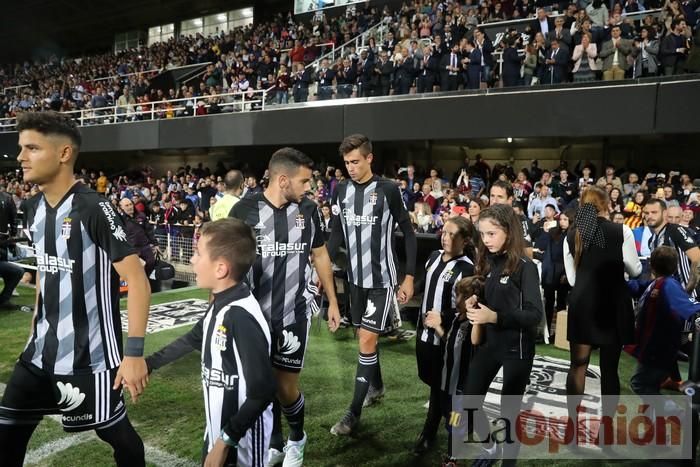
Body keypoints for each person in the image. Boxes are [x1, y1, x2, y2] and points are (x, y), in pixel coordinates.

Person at [0, 111, 150, 466]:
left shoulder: (94, 208)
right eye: (22, 148)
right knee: (7, 433)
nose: (21, 157)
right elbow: (46, 275)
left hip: (89, 357)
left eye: (32, 148)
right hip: (38, 354)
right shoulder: (34, 207)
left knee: (118, 437)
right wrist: (36, 326)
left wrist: (134, 355)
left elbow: (138, 281)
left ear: (64, 153)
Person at [230, 147, 341, 467]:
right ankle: (275, 442)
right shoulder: (244, 210)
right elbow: (229, 260)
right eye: (304, 181)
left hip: (293, 312)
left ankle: (296, 438)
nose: (309, 188)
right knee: (261, 383)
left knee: (285, 385)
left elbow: (319, 254)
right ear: (282, 180)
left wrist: (333, 301)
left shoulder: (309, 210)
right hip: (253, 317)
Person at [145, 218, 276, 466]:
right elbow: (195, 336)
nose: (192, 260)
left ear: (220, 269)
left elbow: (264, 391)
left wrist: (225, 441)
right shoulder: (221, 301)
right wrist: (148, 364)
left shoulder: (240, 315)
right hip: (218, 433)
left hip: (240, 443)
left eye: (198, 253)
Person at [328, 134, 417, 435]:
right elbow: (335, 233)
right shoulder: (340, 190)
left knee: (367, 340)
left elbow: (409, 231)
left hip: (382, 280)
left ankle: (352, 414)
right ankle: (376, 386)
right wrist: (323, 267)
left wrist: (409, 277)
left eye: (355, 161)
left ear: (369, 158)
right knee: (365, 338)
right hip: (355, 280)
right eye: (346, 163)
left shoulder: (388, 189)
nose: (350, 167)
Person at [463, 204, 543, 466]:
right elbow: (491, 298)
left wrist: (495, 316)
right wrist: (475, 301)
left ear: (508, 231)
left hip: (516, 350)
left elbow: (534, 315)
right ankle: (490, 447)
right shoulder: (488, 263)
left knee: (509, 415)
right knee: (469, 402)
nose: (486, 240)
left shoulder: (525, 267)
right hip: (490, 344)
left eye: (492, 234)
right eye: (483, 234)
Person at [563, 186, 642, 441]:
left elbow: (573, 279)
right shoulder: (622, 230)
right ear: (606, 205)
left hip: (583, 304)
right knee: (609, 370)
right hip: (612, 303)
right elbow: (636, 269)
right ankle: (606, 430)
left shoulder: (572, 234)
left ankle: (572, 428)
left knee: (578, 366)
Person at [413, 216, 475, 456]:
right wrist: (411, 289)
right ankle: (449, 426)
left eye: (452, 235)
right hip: (424, 333)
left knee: (441, 387)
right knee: (432, 381)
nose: (446, 238)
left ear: (465, 240)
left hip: (446, 338)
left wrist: (444, 317)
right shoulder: (433, 257)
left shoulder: (467, 268)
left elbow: (466, 307)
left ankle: (429, 434)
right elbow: (425, 282)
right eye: (444, 233)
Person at [625, 246, 700, 395]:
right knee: (650, 386)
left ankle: (673, 415)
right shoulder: (659, 284)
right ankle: (665, 416)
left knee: (640, 384)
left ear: (651, 265)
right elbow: (636, 287)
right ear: (675, 267)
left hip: (657, 348)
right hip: (655, 347)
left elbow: (687, 306)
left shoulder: (667, 285)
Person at [643, 198, 700, 298]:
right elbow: (655, 270)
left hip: (686, 296)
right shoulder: (651, 240)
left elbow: (698, 259)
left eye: (654, 212)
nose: (650, 216)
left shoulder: (676, 230)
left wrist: (688, 290)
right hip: (667, 296)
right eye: (647, 213)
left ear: (665, 213)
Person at [536, 209, 572, 340]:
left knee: (562, 303)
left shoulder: (573, 235)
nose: (562, 222)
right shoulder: (553, 232)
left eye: (565, 219)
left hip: (564, 271)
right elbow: (541, 245)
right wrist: (545, 232)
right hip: (550, 271)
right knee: (548, 303)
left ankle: (559, 335)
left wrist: (568, 274)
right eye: (561, 219)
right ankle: (546, 333)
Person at [0, 187, 22, 309]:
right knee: (7, 266)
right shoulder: (7, 198)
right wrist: (13, 235)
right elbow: (13, 219)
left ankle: (5, 297)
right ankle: (5, 297)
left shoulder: (7, 198)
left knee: (5, 266)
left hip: (3, 239)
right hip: (2, 239)